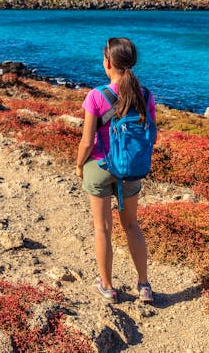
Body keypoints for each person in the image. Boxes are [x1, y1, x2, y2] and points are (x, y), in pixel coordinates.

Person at [75, 37, 155, 304]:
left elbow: (87, 141)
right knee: (132, 225)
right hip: (131, 169)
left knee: (102, 229)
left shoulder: (97, 95)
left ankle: (107, 287)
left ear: (108, 63)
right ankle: (144, 286)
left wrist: (78, 166)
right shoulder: (145, 95)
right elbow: (151, 135)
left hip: (99, 166)